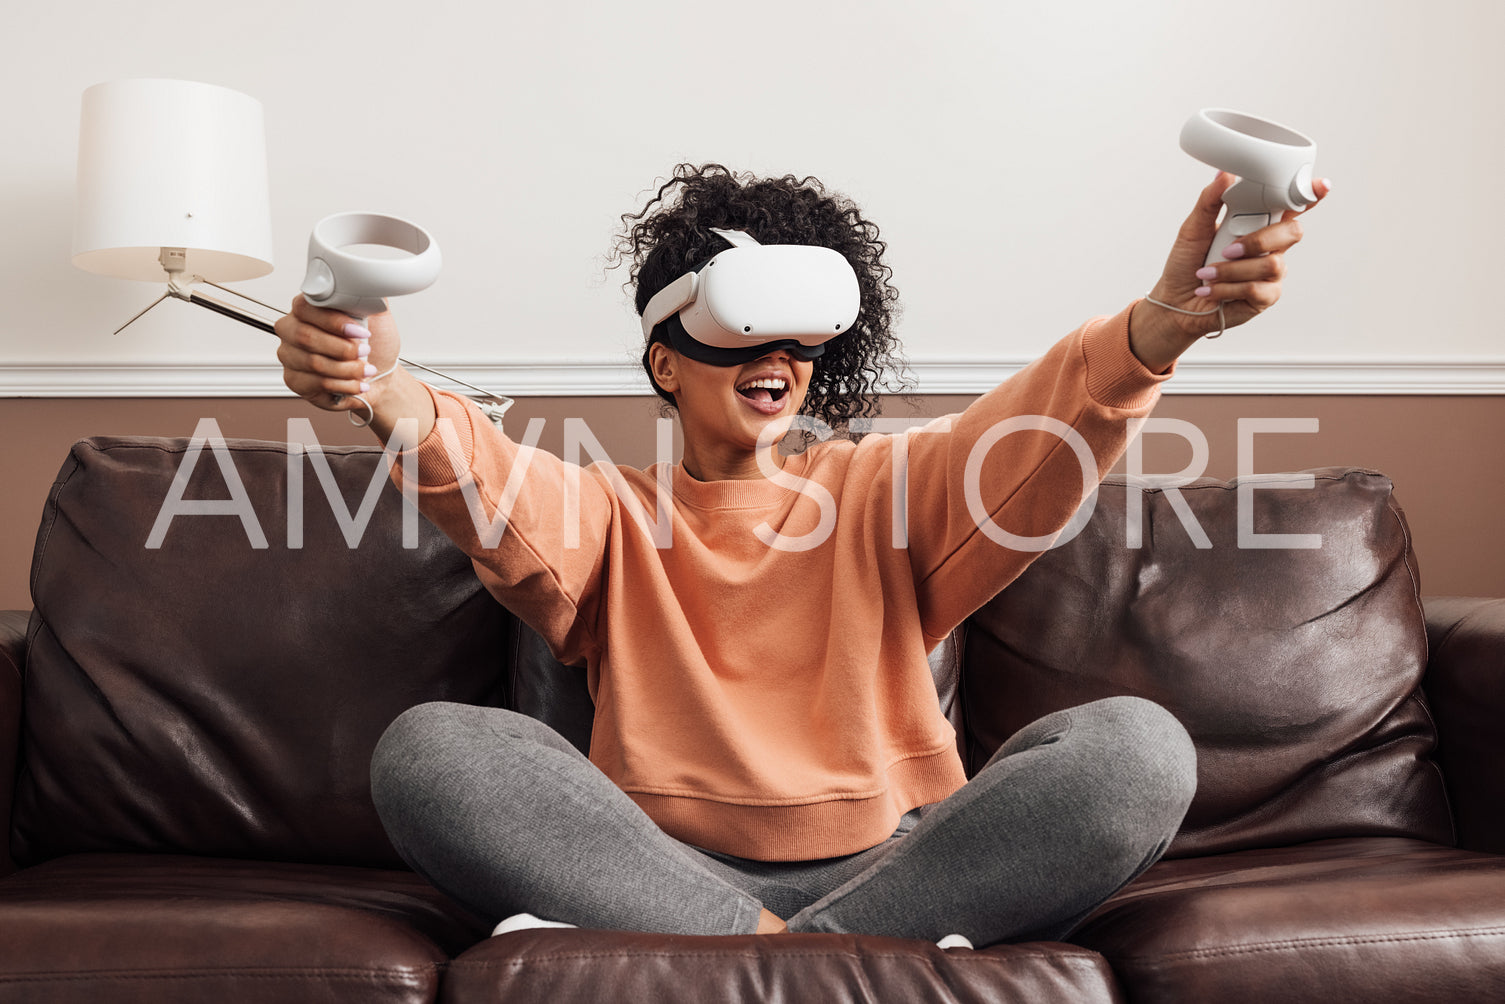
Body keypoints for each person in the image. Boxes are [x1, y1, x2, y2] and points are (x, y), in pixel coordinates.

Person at [275, 163, 1328, 945]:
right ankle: (825, 958)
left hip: (905, 860)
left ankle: (763, 960)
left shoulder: (883, 489)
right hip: (654, 863)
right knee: (428, 747)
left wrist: (1165, 321)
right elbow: (486, 477)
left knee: (1140, 747)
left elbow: (1038, 431)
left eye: (798, 341)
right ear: (665, 359)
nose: (778, 359)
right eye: (743, 333)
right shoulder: (606, 514)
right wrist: (382, 390)